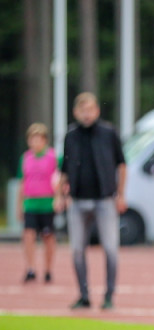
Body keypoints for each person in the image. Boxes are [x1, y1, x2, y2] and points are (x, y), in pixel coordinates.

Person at [55, 92, 127, 311]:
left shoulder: (108, 133)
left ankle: (109, 296)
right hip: (77, 200)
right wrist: (60, 196)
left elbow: (122, 165)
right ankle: (84, 295)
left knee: (110, 249)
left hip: (104, 199)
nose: (87, 114)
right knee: (77, 249)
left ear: (97, 111)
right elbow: (64, 170)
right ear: (76, 112)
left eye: (91, 110)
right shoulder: (71, 135)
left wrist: (121, 194)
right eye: (82, 110)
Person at [17, 123, 60, 284]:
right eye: (32, 139)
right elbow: (22, 182)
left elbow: (60, 180)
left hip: (47, 203)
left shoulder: (53, 157)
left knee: (48, 237)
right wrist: (19, 204)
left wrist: (59, 197)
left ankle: (48, 270)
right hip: (30, 203)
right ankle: (30, 268)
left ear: (44, 141)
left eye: (38, 139)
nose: (35, 143)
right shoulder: (25, 158)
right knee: (28, 235)